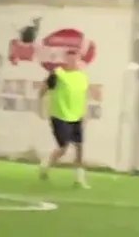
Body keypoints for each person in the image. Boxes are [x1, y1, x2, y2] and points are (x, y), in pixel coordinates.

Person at [37, 49, 90, 188]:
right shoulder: (58, 74)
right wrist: (41, 105)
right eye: (70, 58)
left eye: (75, 59)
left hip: (76, 117)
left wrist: (85, 113)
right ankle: (46, 165)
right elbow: (43, 88)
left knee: (79, 147)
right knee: (63, 147)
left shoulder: (82, 77)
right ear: (66, 60)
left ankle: (79, 178)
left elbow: (83, 96)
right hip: (60, 116)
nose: (73, 61)